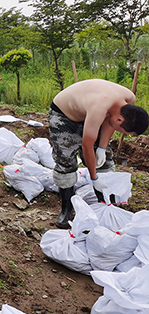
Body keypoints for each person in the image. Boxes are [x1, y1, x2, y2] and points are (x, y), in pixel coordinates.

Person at [49, 79, 149, 228]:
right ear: (121, 120)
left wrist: (102, 148)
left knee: (105, 161)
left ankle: (106, 204)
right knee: (66, 160)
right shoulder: (99, 107)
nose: (123, 134)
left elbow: (111, 121)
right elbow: (86, 146)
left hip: (90, 113)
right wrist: (94, 177)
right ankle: (67, 207)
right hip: (64, 116)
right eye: (124, 132)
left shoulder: (128, 100)